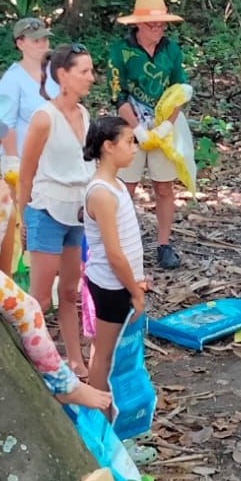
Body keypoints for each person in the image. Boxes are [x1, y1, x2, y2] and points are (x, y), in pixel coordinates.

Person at [16, 43, 94, 370]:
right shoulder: (43, 118)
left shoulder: (84, 115)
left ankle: (74, 359)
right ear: (63, 75)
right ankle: (33, 362)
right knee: (40, 298)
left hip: (76, 213)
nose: (92, 78)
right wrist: (23, 219)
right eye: (85, 71)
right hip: (46, 211)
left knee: (69, 291)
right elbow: (26, 171)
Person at [106, 0, 192, 270]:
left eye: (161, 24)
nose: (158, 29)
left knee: (164, 187)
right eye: (152, 24)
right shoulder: (121, 51)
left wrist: (167, 124)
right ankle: (123, 243)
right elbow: (117, 95)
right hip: (130, 124)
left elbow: (180, 91)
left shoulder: (171, 50)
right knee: (126, 185)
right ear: (138, 25)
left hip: (164, 125)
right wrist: (137, 129)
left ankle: (164, 245)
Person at [81, 114, 146, 393]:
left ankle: (108, 415)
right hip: (111, 285)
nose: (134, 148)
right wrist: (135, 291)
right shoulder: (101, 193)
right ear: (108, 146)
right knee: (104, 357)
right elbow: (114, 253)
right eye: (129, 141)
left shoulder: (116, 185)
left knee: (109, 353)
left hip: (122, 282)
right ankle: (97, 421)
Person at [0, 16, 52, 170]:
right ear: (20, 44)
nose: (42, 45)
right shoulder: (13, 78)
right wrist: (13, 161)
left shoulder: (55, 71)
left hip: (53, 159)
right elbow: (5, 124)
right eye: (36, 41)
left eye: (45, 39)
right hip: (25, 159)